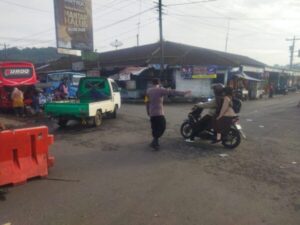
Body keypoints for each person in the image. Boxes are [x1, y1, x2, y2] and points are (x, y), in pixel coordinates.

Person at [145, 78, 191, 150]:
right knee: (162, 127)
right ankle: (155, 142)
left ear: (152, 83)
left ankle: (155, 142)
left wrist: (147, 111)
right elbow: (172, 92)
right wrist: (184, 93)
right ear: (159, 83)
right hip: (159, 113)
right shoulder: (160, 90)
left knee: (154, 128)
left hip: (152, 113)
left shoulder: (148, 91)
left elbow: (147, 102)